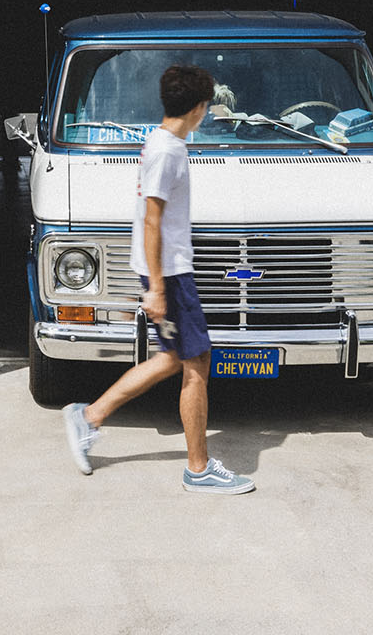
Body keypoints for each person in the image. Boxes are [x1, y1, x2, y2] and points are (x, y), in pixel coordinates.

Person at [62, 62, 254, 494]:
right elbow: (152, 221)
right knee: (197, 365)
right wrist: (159, 288)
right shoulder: (168, 151)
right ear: (201, 108)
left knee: (174, 359)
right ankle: (198, 469)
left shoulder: (161, 142)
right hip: (169, 275)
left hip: (168, 272)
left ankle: (89, 416)